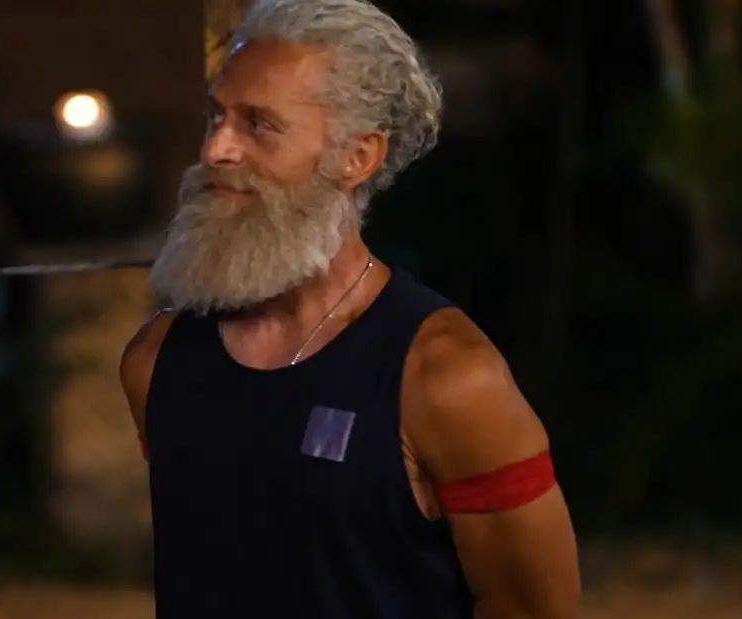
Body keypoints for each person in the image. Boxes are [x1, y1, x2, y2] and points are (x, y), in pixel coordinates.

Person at [120, 1, 581, 617]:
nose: (217, 149)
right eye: (216, 117)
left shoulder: (445, 377)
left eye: (259, 124)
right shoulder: (156, 362)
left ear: (357, 157)